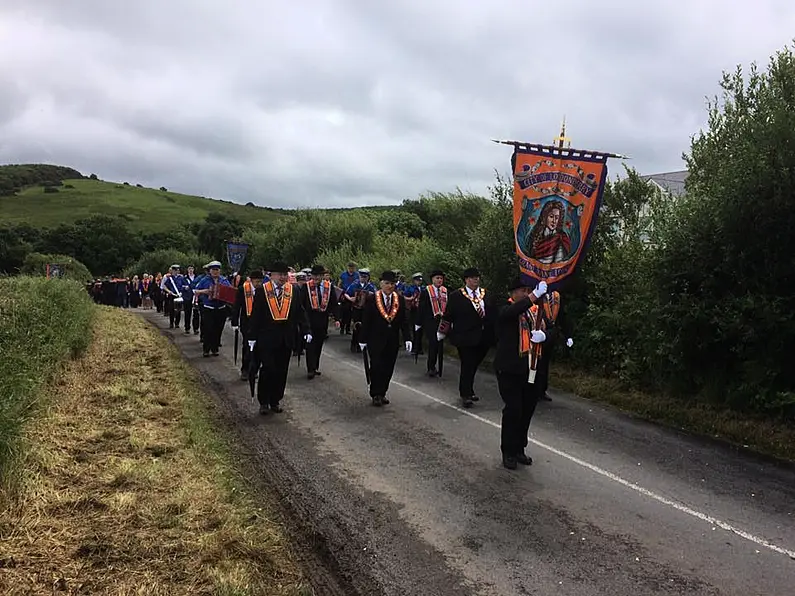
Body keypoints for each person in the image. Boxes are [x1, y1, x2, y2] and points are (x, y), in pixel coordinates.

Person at [494, 279, 550, 469]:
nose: (525, 293)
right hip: (510, 369)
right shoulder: (504, 309)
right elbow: (511, 312)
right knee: (514, 410)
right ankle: (508, 451)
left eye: (527, 290)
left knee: (527, 411)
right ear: (512, 294)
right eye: (521, 291)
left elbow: (552, 329)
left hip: (532, 368)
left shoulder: (536, 312)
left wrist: (545, 336)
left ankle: (519, 448)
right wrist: (534, 296)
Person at [248, 261, 310, 415]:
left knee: (281, 371)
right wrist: (252, 336)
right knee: (268, 369)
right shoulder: (262, 291)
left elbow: (300, 312)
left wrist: (306, 330)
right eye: (279, 274)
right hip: (267, 339)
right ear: (272, 275)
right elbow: (256, 315)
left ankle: (275, 400)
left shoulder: (293, 290)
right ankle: (264, 401)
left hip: (286, 339)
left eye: (285, 274)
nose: (282, 277)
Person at [438, 267, 497, 408]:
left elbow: (493, 314)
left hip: (483, 337)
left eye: (477, 277)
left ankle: (469, 390)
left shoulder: (486, 294)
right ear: (466, 280)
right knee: (467, 364)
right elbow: (448, 315)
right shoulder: (456, 296)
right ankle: (465, 394)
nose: (475, 280)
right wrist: (442, 331)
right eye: (472, 278)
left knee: (474, 364)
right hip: (464, 337)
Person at [359, 270, 412, 407]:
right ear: (381, 283)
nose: (390, 286)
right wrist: (362, 339)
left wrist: (407, 338)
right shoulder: (372, 299)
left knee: (388, 368)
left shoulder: (398, 299)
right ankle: (375, 393)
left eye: (392, 283)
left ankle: (382, 392)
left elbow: (403, 321)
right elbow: (366, 320)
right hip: (375, 340)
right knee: (376, 366)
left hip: (392, 340)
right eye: (387, 283)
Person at [302, 264, 340, 379]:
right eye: (315, 275)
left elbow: (334, 303)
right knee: (310, 344)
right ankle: (310, 368)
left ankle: (315, 366)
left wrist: (337, 318)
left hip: (323, 318)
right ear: (312, 276)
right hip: (309, 318)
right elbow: (302, 304)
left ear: (323, 276)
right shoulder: (306, 287)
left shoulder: (329, 287)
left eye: (319, 275)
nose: (317, 278)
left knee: (318, 344)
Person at [230, 269, 265, 380]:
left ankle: (254, 369)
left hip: (261, 323)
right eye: (256, 281)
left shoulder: (265, 291)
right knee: (247, 346)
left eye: (260, 281)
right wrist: (234, 321)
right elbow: (237, 306)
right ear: (251, 281)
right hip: (247, 322)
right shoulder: (243, 290)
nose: (258, 284)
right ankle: (245, 369)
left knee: (259, 347)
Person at [193, 261, 232, 357]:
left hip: (221, 308)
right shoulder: (204, 280)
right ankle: (206, 349)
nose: (215, 272)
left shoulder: (224, 280)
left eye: (217, 270)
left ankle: (215, 348)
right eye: (213, 270)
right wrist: (205, 291)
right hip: (208, 308)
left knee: (218, 329)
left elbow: (230, 292)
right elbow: (195, 290)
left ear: (219, 270)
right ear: (210, 271)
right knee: (208, 329)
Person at [416, 269, 447, 377]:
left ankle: (439, 366)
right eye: (437, 278)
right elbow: (421, 308)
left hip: (442, 321)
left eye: (441, 278)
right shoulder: (426, 291)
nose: (439, 280)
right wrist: (418, 322)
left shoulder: (445, 291)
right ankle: (431, 367)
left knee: (440, 344)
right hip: (430, 321)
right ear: (432, 279)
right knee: (433, 343)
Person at [344, 268, 375, 353]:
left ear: (368, 277)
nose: (363, 278)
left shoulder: (370, 286)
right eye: (362, 276)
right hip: (356, 309)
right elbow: (346, 293)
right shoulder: (355, 284)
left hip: (366, 309)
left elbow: (376, 295)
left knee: (364, 326)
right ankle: (354, 344)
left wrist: (370, 295)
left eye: (365, 277)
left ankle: (361, 343)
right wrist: (350, 298)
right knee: (356, 326)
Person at [338, 261, 359, 335]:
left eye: (353, 267)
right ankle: (342, 327)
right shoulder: (343, 275)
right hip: (345, 295)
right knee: (344, 312)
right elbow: (339, 284)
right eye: (350, 267)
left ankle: (348, 329)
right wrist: (340, 294)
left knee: (351, 313)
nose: (351, 269)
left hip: (354, 295)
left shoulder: (357, 275)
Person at [182, 265, 199, 335]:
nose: (191, 270)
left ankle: (196, 328)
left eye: (192, 268)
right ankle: (187, 327)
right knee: (187, 313)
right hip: (187, 297)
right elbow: (181, 286)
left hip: (195, 297)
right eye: (189, 268)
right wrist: (184, 288)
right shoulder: (185, 278)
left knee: (196, 313)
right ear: (187, 270)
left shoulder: (197, 278)